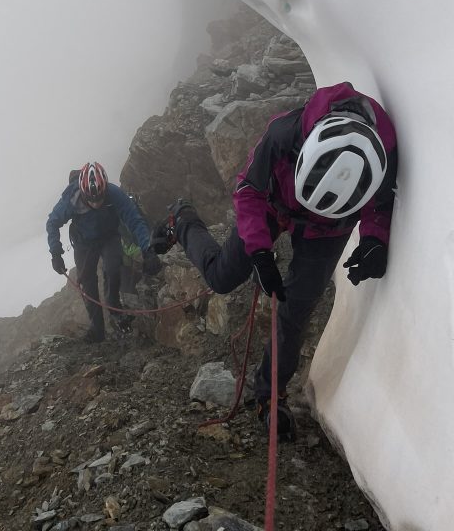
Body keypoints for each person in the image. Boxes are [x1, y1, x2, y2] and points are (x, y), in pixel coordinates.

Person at [151, 82, 398, 437]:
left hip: (329, 229)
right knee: (222, 277)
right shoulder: (284, 132)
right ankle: (183, 219)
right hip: (276, 203)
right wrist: (261, 252)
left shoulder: (384, 157)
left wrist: (374, 240)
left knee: (295, 309)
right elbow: (250, 190)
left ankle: (269, 394)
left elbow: (381, 204)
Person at [47, 162, 162, 342]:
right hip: (84, 243)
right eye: (91, 200)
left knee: (113, 268)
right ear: (83, 192)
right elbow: (52, 223)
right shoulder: (71, 199)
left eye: (99, 198)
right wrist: (56, 253)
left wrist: (148, 251)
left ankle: (115, 311)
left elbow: (135, 220)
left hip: (109, 236)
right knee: (88, 282)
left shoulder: (113, 193)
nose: (96, 203)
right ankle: (97, 329)